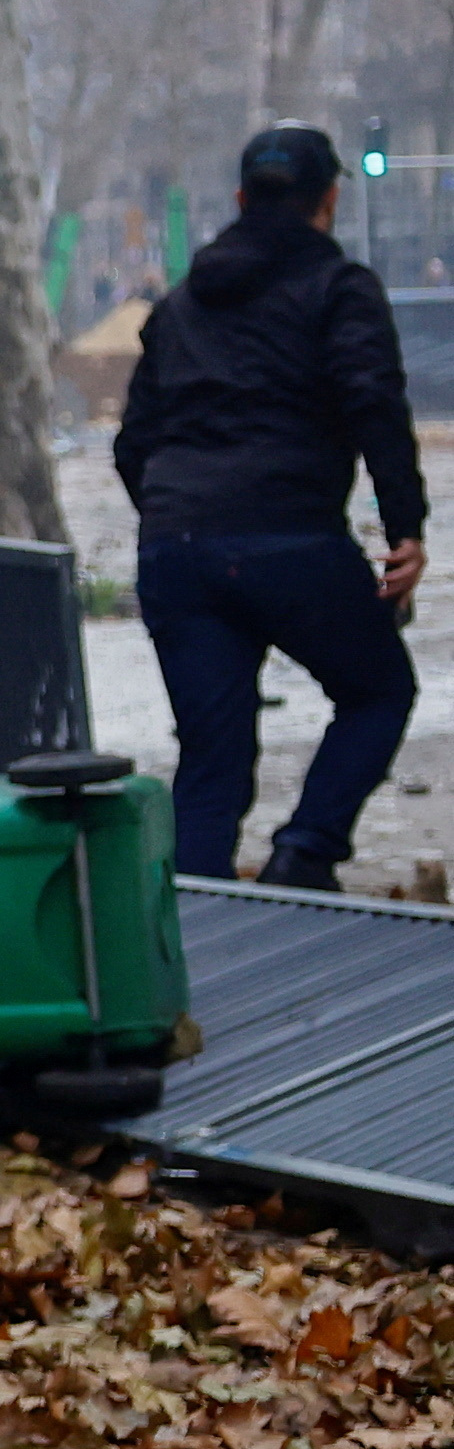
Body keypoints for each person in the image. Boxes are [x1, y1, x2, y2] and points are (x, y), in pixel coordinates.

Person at [118, 123, 425, 887]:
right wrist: (405, 529)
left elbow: (133, 444)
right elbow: (374, 405)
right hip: (290, 540)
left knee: (211, 753)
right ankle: (306, 851)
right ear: (328, 201)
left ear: (237, 200)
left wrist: (173, 519)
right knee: (380, 690)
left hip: (178, 548)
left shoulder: (180, 306)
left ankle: (190, 932)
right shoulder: (340, 290)